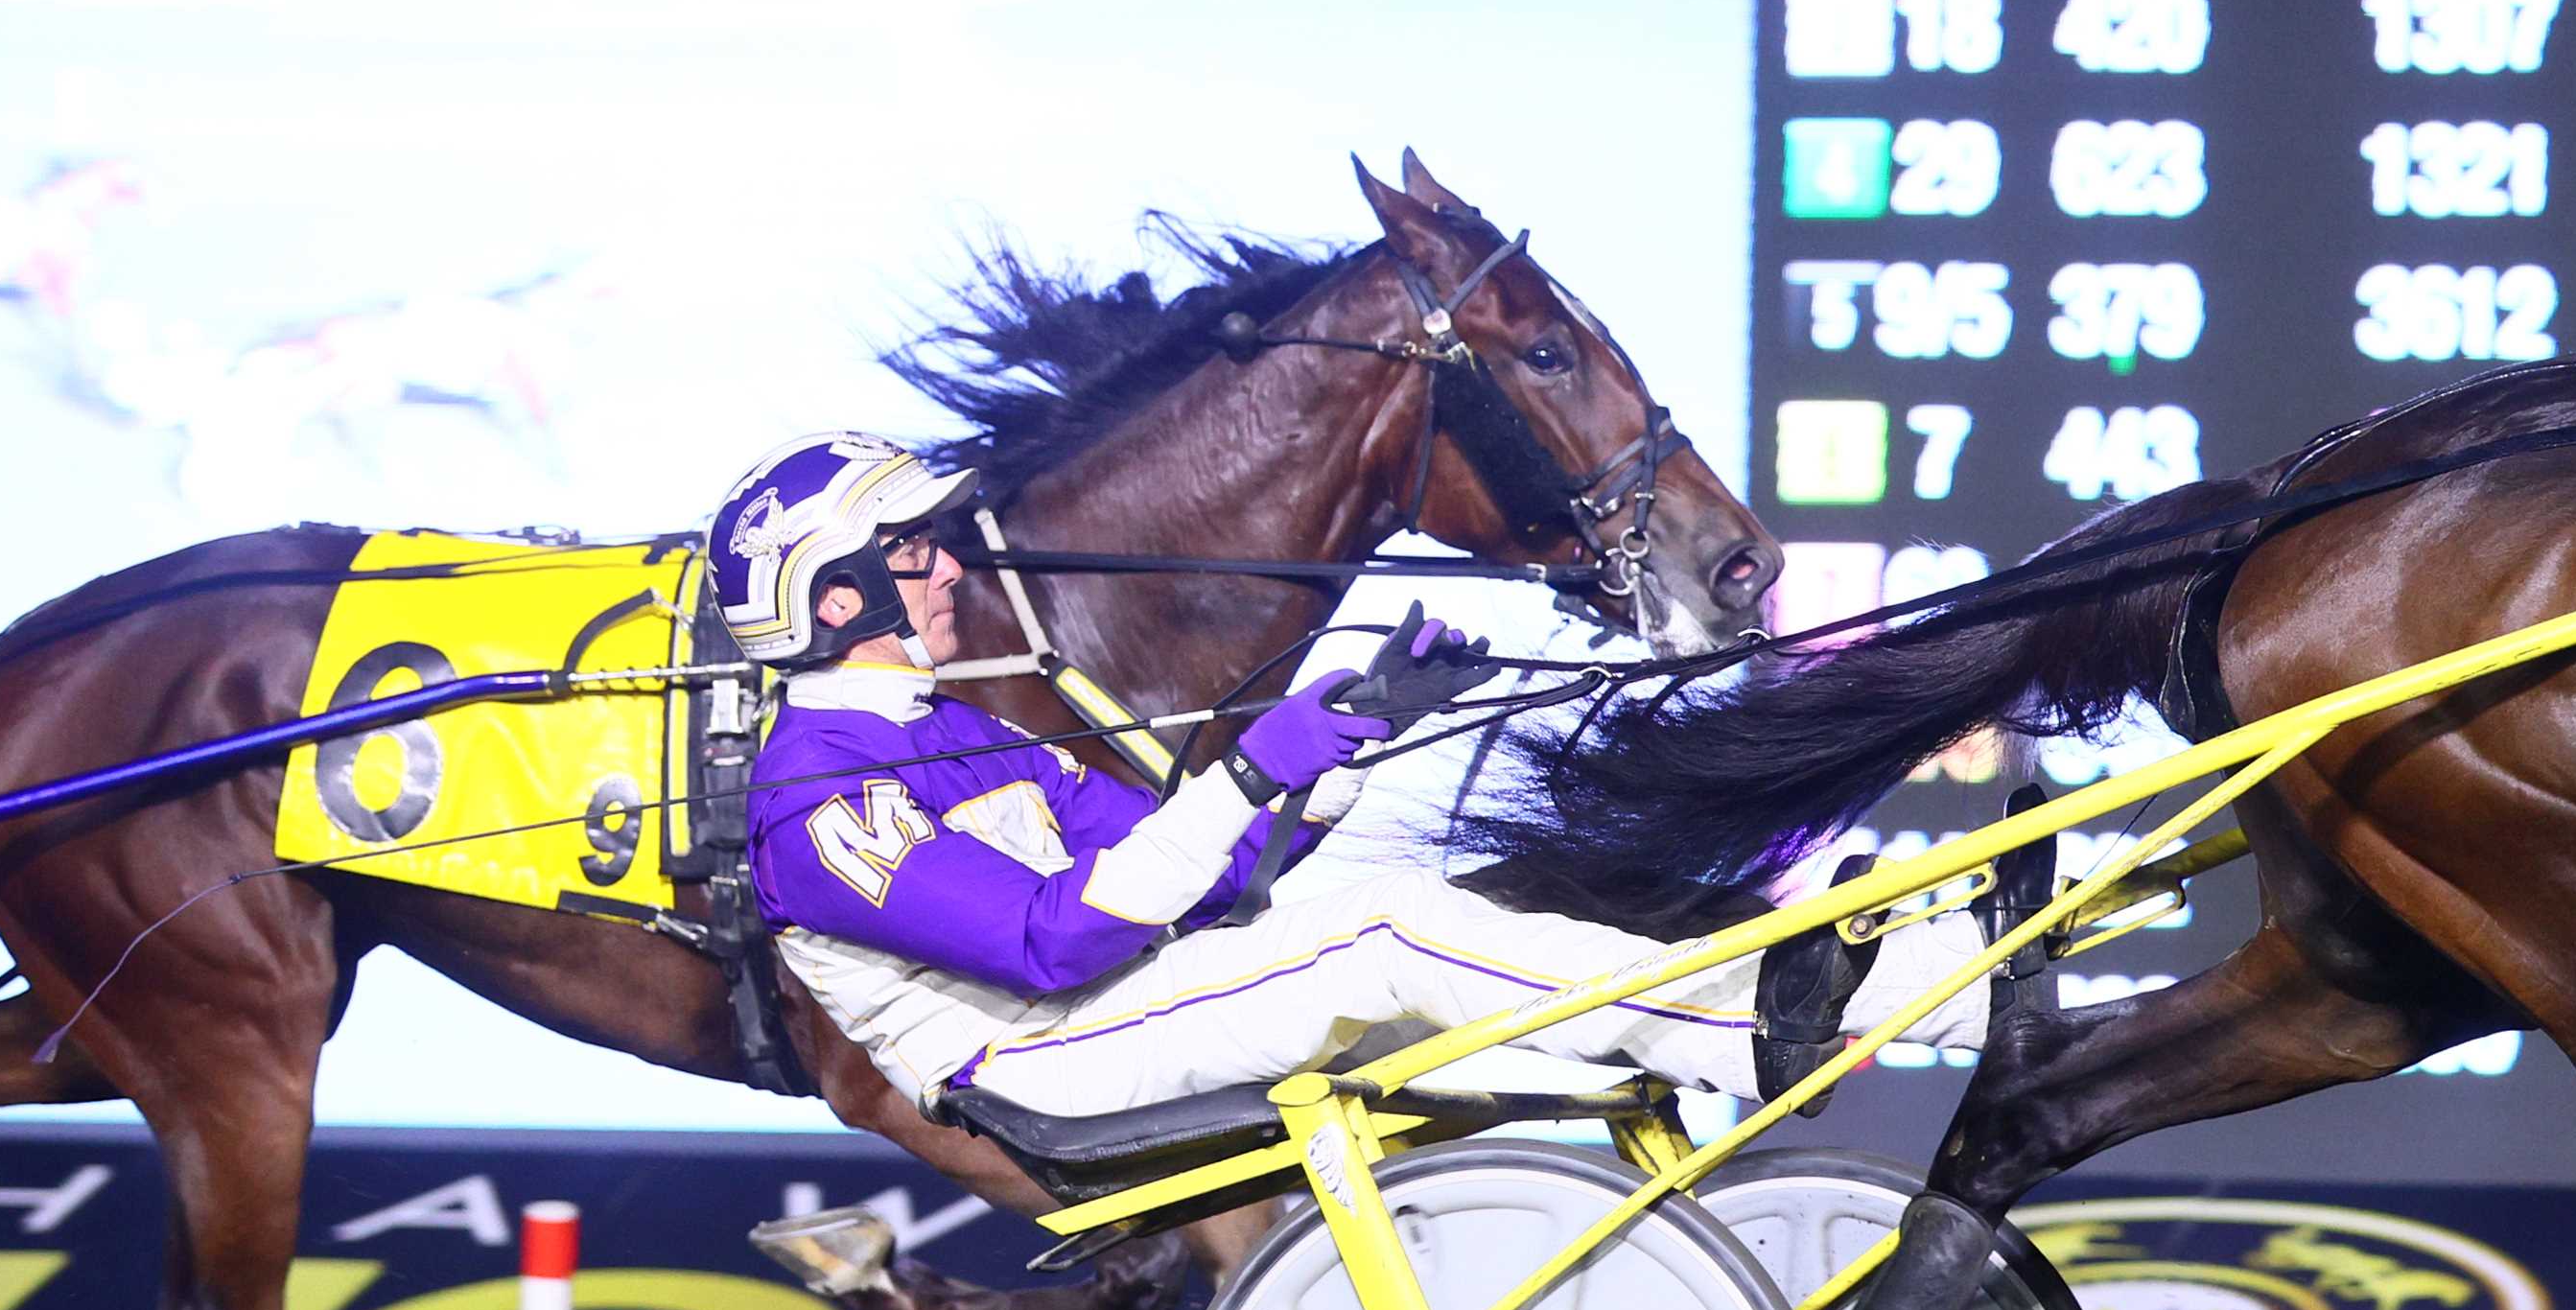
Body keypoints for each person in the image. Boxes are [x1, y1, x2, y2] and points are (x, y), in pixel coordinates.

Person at [706, 434, 1779, 1133]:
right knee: (1387, 933)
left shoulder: (956, 729)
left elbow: (1201, 874)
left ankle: (1826, 981)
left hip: (1114, 1001)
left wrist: (1348, 748)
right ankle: (1757, 1029)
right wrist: (1256, 763)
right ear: (834, 599)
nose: (947, 569)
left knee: (1484, 917)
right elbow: (1050, 941)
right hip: (1038, 1055)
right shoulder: (816, 794)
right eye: (910, 554)